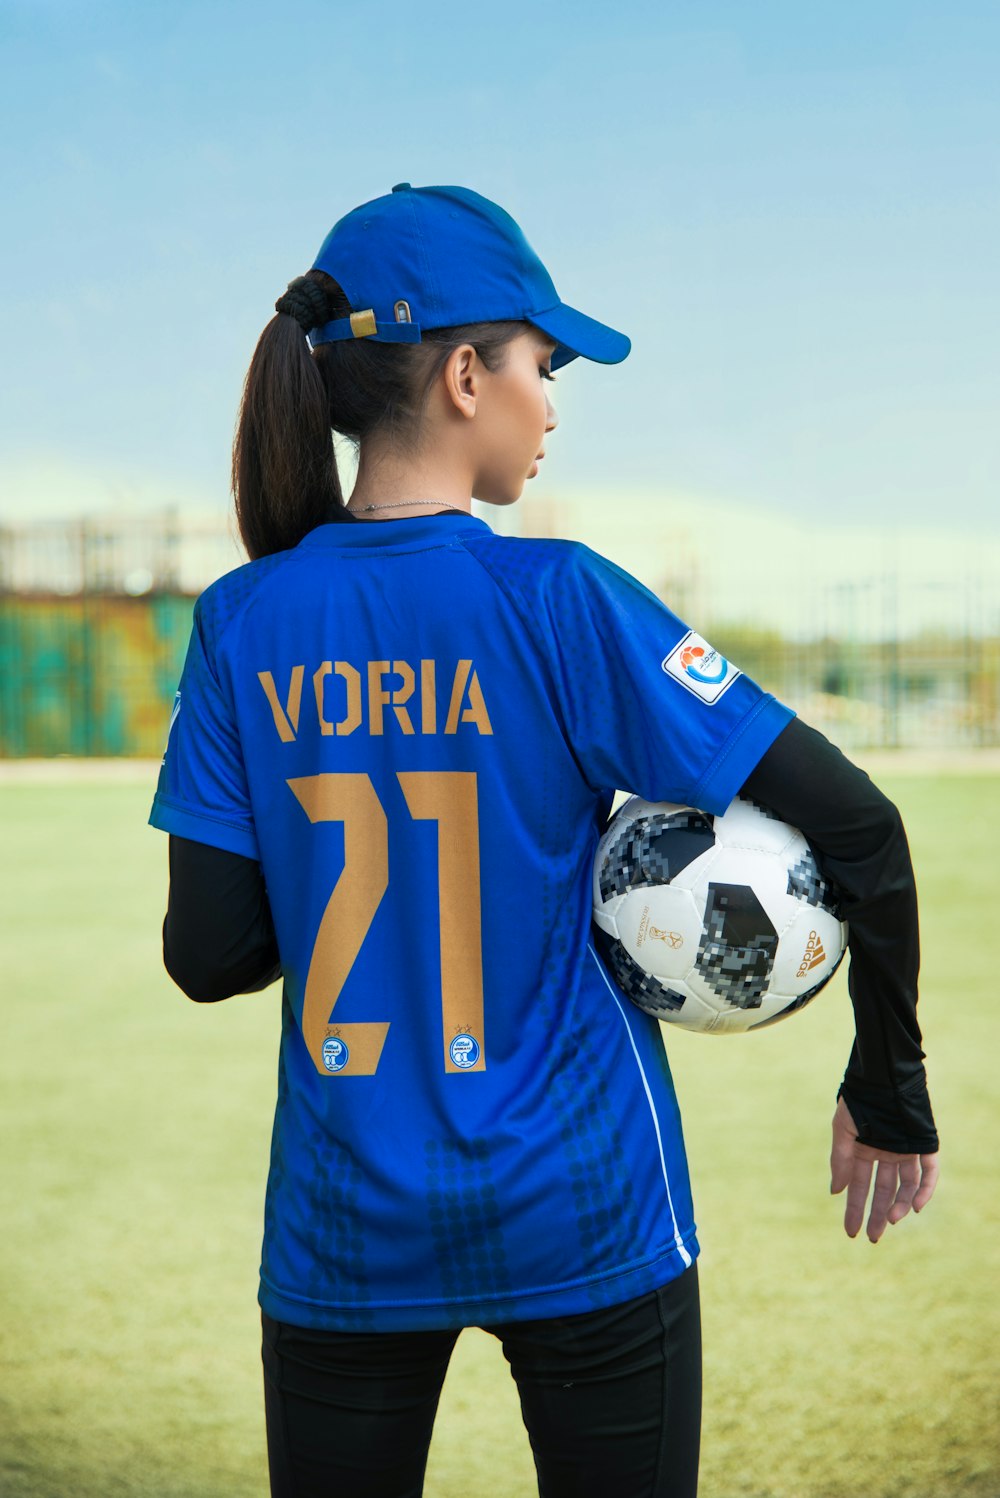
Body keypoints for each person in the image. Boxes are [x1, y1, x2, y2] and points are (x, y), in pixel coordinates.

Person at [150, 182, 939, 1498]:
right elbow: (863, 824)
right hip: (583, 1204)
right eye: (542, 362)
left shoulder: (243, 622)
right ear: (466, 373)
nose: (554, 399)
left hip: (345, 1227)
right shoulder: (562, 599)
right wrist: (890, 1079)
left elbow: (210, 950)